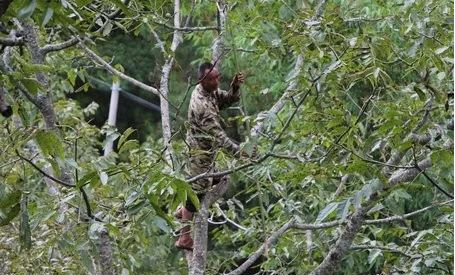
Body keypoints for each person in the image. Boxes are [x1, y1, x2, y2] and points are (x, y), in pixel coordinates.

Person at [174, 62, 246, 250]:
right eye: (212, 79)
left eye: (218, 77)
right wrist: (240, 153)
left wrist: (235, 86)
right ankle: (184, 238)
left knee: (218, 178)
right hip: (199, 154)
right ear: (202, 80)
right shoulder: (202, 105)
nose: (216, 82)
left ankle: (182, 211)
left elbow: (227, 99)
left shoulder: (208, 90)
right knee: (195, 196)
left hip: (207, 153)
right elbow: (219, 137)